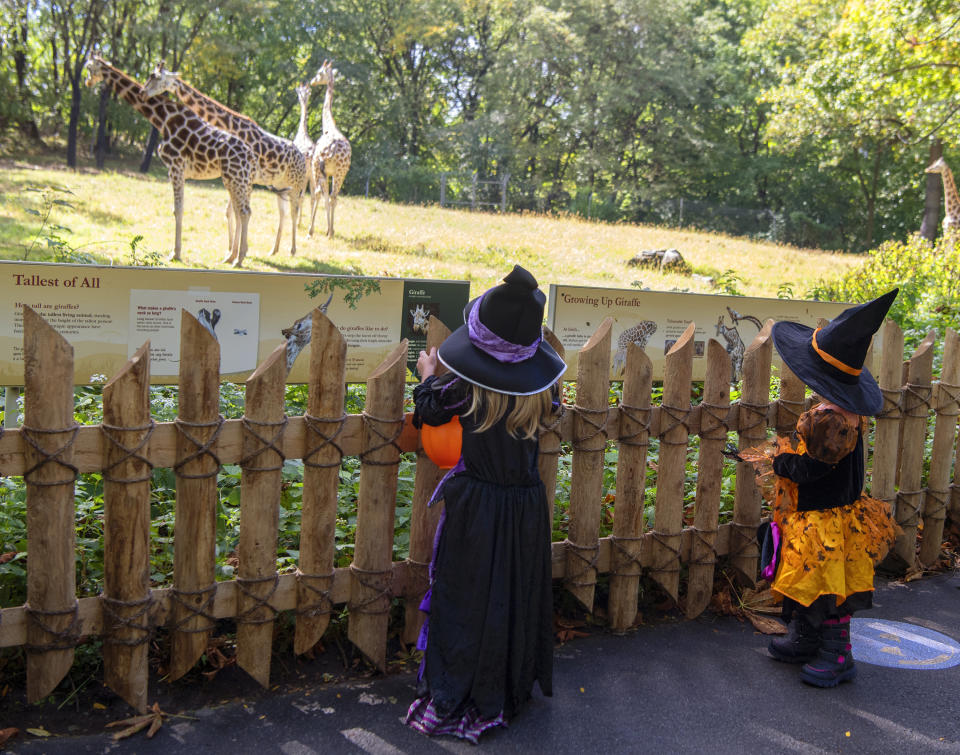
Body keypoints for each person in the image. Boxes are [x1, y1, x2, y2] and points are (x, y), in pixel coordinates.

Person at [404, 265, 565, 742]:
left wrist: (426, 375)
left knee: (468, 597)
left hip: (476, 509)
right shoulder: (545, 392)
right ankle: (508, 686)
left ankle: (465, 687)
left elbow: (429, 411)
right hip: (525, 509)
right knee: (513, 592)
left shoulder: (463, 387)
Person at [765, 288, 900, 687]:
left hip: (823, 523)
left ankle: (837, 654)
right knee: (812, 583)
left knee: (828, 589)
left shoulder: (832, 422)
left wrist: (782, 461)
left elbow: (810, 469)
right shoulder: (847, 414)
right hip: (830, 515)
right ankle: (807, 638)